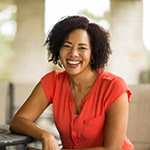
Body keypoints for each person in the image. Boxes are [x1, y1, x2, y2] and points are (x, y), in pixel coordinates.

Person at [10, 15, 135, 150]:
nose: (73, 53)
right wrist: (45, 135)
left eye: (82, 48)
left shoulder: (114, 86)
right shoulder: (52, 81)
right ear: (58, 49)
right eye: (67, 46)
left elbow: (111, 149)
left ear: (93, 53)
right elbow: (18, 121)